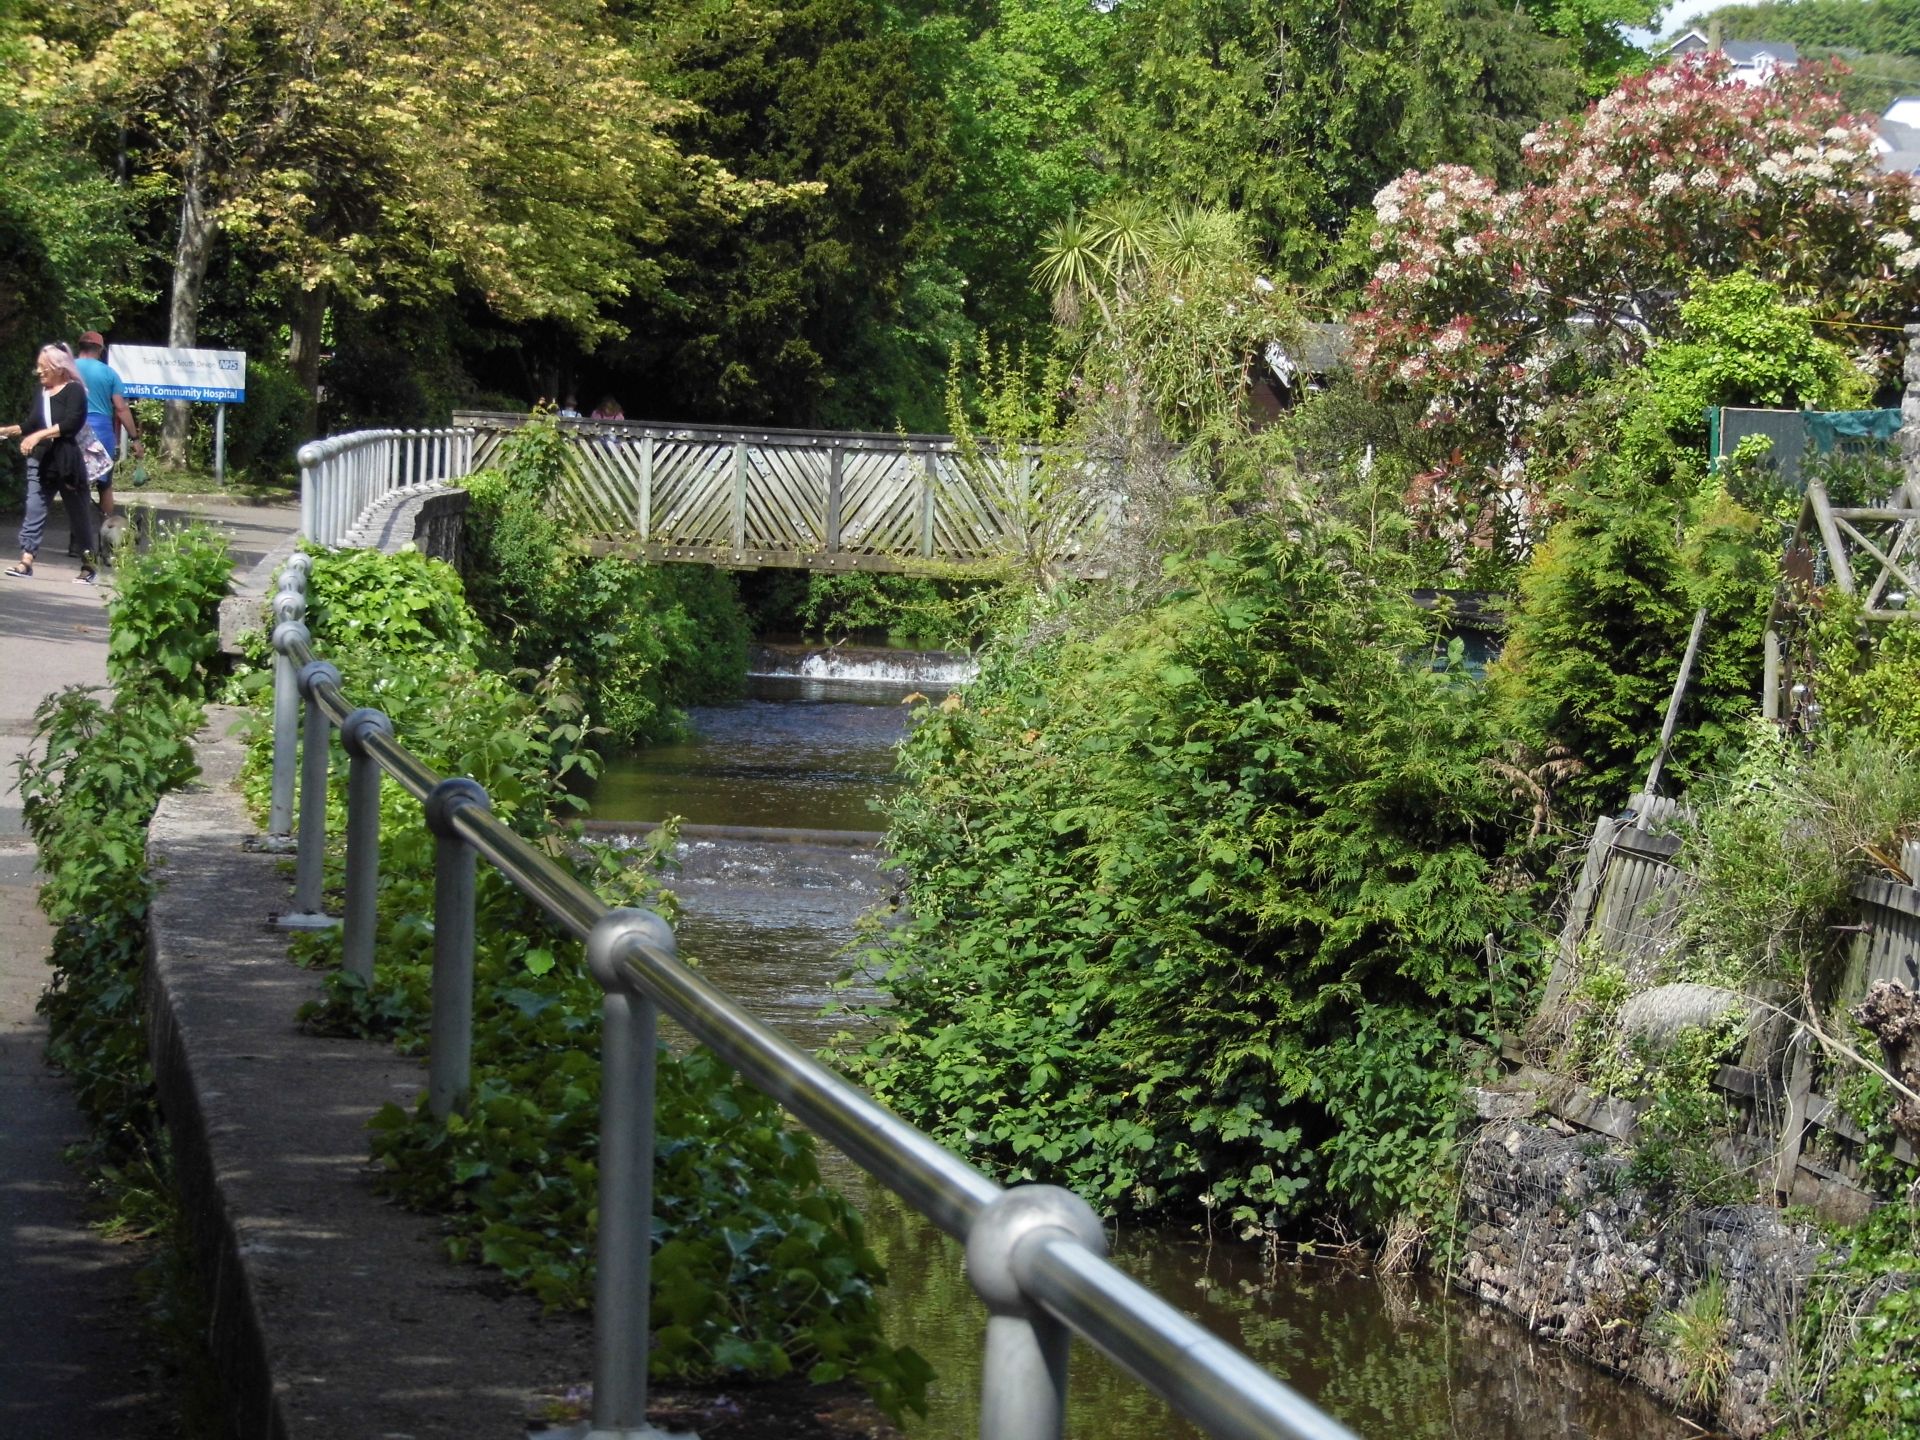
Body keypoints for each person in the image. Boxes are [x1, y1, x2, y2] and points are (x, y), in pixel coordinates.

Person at [3, 344, 100, 582]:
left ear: (58, 368)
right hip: (41, 461)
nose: (39, 371)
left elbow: (71, 424)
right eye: (38, 367)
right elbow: (32, 424)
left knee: (78, 515)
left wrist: (38, 436)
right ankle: (26, 561)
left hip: (67, 464)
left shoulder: (74, 390)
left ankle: (89, 565)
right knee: (34, 509)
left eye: (43, 367)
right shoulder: (42, 393)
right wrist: (8, 430)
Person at [73, 330, 142, 524]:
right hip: (102, 432)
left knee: (77, 484)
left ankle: (77, 536)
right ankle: (106, 531)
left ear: (80, 347)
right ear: (100, 349)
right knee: (105, 485)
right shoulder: (109, 373)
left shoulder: (67, 369)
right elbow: (121, 408)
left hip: (73, 429)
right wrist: (135, 438)